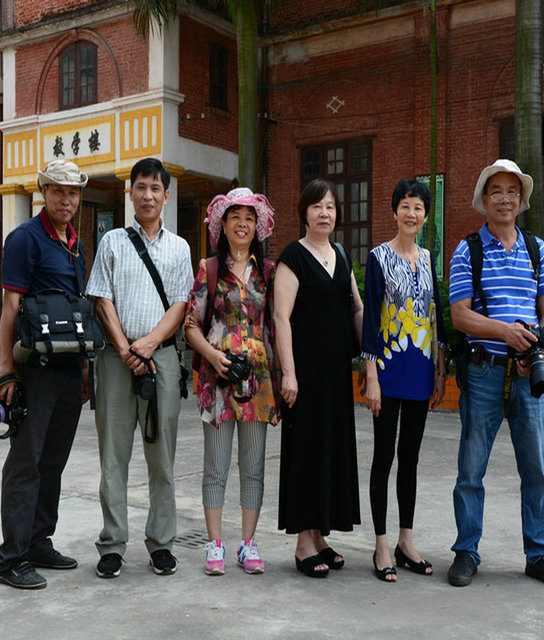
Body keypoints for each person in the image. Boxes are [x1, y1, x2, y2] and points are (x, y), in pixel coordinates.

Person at [446, 159, 544, 589]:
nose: (505, 198)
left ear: (521, 200)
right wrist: (506, 332)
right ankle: (466, 551)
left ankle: (539, 554)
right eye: (496, 191)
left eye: (512, 191)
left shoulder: (537, 249)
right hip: (483, 372)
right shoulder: (468, 250)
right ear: (484, 200)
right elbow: (460, 315)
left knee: (536, 470)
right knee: (471, 470)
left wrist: (539, 350)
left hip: (527, 375)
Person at [86, 157, 193, 579]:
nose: (148, 195)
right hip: (116, 360)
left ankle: (161, 543)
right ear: (130, 193)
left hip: (161, 359)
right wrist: (125, 348)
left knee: (161, 457)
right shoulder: (112, 241)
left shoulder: (180, 247)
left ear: (166, 196)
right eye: (141, 187)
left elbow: (181, 304)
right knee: (113, 456)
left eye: (155, 188)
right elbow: (101, 299)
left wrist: (147, 346)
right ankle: (112, 544)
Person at [0, 159, 90, 589]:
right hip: (34, 370)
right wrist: (5, 369)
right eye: (58, 191)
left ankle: (38, 542)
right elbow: (10, 307)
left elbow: (78, 311)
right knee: (26, 461)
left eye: (72, 193)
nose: (66, 199)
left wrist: (84, 371)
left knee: (53, 461)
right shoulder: (24, 239)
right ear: (43, 192)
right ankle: (11, 558)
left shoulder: (75, 244)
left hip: (68, 369)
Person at [185, 187, 278, 576]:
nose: (242, 224)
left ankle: (248, 543)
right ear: (222, 225)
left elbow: (277, 326)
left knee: (253, 465)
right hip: (216, 380)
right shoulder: (209, 269)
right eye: (235, 217)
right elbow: (191, 324)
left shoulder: (269, 272)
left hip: (258, 382)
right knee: (216, 465)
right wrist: (212, 356)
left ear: (257, 226)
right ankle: (215, 545)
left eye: (249, 218)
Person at [275, 178, 364, 578]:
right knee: (307, 453)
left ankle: (319, 535)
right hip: (305, 375)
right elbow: (281, 317)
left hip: (336, 375)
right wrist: (289, 373)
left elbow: (356, 308)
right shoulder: (292, 256)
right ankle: (302, 543)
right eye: (317, 206)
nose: (324, 213)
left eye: (330, 206)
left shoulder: (341, 255)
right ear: (304, 213)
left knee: (329, 452)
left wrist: (370, 357)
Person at [362, 179, 448, 583]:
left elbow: (435, 315)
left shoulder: (428, 258)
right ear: (394, 211)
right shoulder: (378, 258)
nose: (411, 214)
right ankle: (381, 544)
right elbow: (370, 322)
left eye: (418, 208)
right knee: (384, 458)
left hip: (421, 371)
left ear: (426, 216)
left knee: (410, 459)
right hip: (388, 370)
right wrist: (371, 376)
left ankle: (405, 541)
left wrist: (440, 371)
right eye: (405, 206)